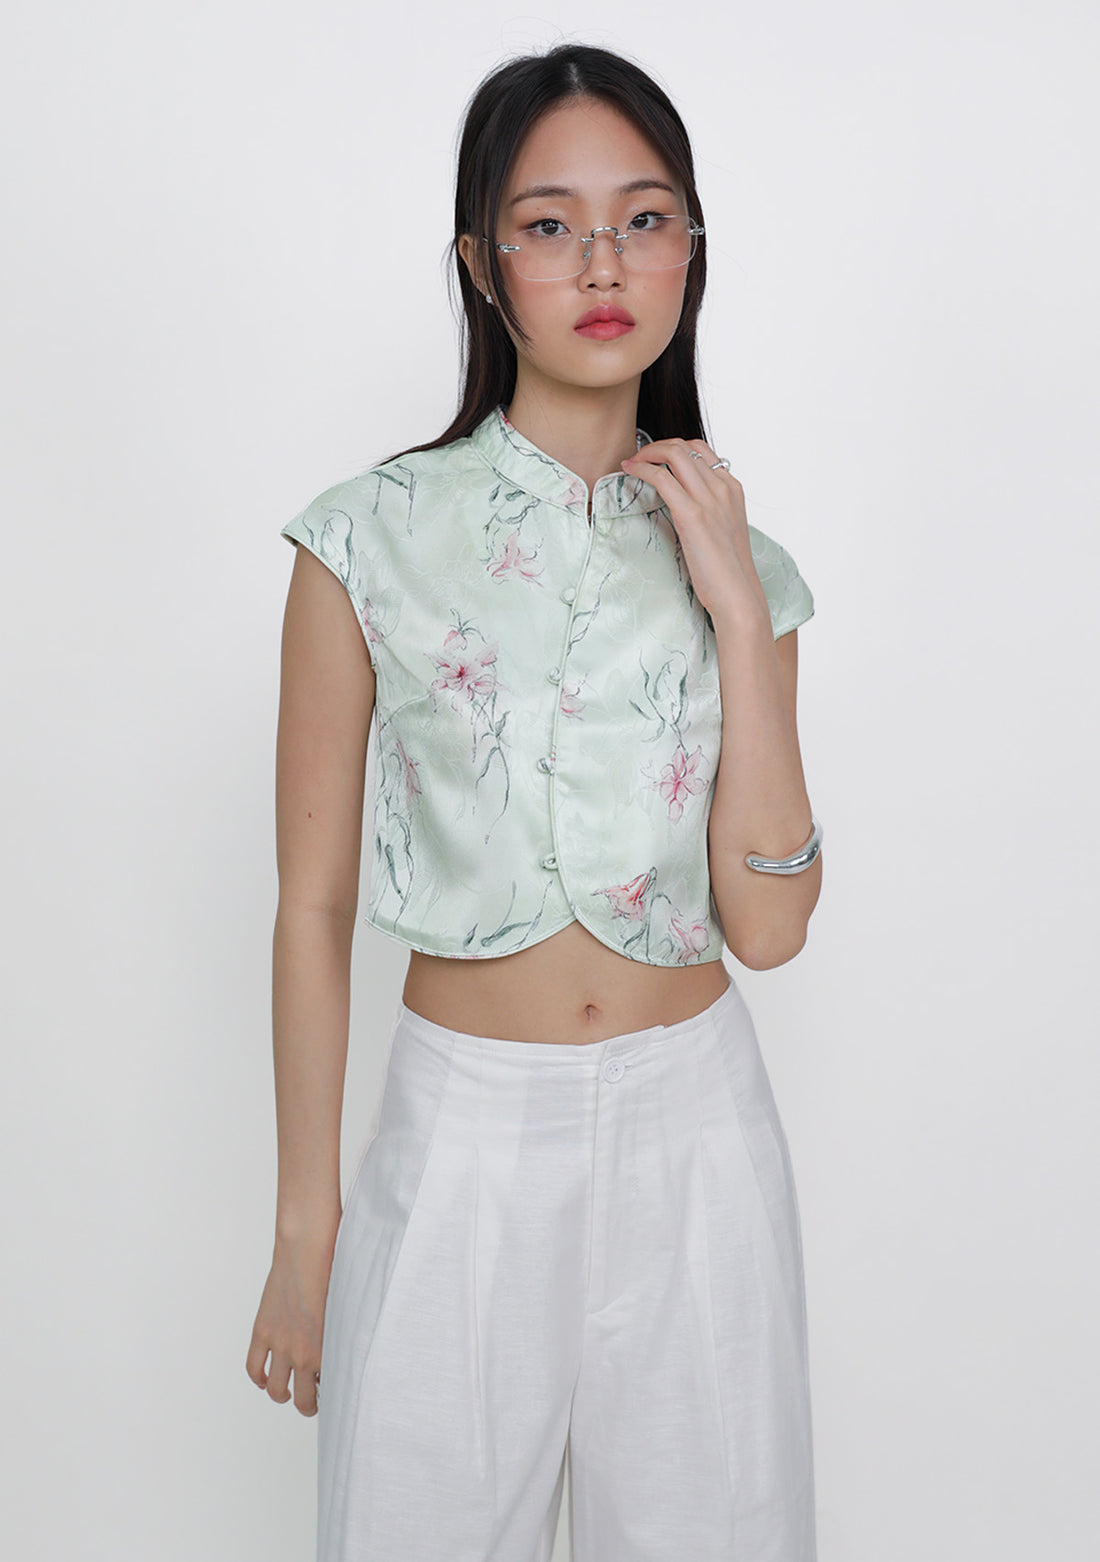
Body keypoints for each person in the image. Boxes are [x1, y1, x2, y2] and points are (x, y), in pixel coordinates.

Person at [246, 40, 823, 1562]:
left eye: (645, 218)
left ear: (693, 247)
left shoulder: (748, 568)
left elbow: (769, 926)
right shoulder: (363, 540)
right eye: (550, 224)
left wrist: (735, 613)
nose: (604, 261)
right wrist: (306, 1224)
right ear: (480, 265)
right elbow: (311, 904)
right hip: (463, 1139)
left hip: (699, 1133)